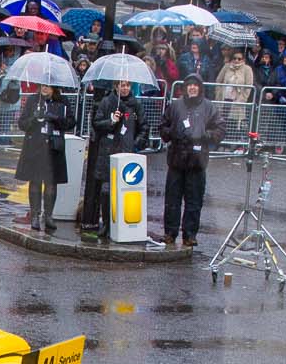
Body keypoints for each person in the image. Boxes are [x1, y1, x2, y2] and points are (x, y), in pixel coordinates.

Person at [156, 73, 225, 249]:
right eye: (189, 85)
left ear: (200, 88)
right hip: (176, 160)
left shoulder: (209, 107)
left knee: (194, 202)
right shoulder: (175, 106)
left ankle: (190, 235)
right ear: (185, 87)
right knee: (172, 200)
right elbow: (163, 127)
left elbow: (220, 131)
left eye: (195, 85)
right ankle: (170, 233)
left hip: (197, 162)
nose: (192, 88)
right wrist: (172, 132)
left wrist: (205, 135)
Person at [80, 78, 147, 237]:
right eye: (122, 85)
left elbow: (144, 127)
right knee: (106, 190)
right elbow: (97, 123)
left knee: (126, 191)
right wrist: (111, 121)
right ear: (116, 87)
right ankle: (107, 224)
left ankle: (123, 225)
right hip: (108, 151)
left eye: (127, 85)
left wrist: (135, 143)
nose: (125, 88)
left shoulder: (135, 104)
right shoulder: (106, 102)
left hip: (127, 152)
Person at [15, 79, 73, 233]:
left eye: (48, 85)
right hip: (35, 146)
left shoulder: (63, 101)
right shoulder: (34, 100)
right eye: (42, 85)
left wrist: (55, 118)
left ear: (54, 87)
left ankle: (49, 216)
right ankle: (35, 215)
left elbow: (71, 122)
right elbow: (22, 123)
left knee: (51, 183)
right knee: (35, 181)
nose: (44, 88)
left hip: (54, 147)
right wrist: (34, 118)